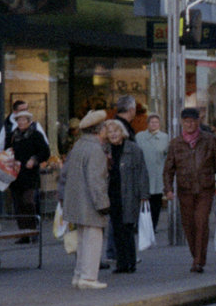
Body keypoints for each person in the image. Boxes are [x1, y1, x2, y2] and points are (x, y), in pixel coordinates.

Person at [163, 106, 216, 274]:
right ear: (182, 123)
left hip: (205, 189)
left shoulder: (209, 140)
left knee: (201, 222)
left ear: (198, 122)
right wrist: (168, 189)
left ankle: (198, 261)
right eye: (186, 122)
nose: (189, 124)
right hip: (185, 190)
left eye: (192, 121)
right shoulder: (175, 143)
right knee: (188, 226)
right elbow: (168, 169)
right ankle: (196, 255)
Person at [57, 109, 109, 290]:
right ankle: (88, 278)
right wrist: (103, 204)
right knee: (93, 240)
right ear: (99, 130)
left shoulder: (78, 145)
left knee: (81, 241)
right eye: (105, 128)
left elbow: (64, 173)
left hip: (76, 201)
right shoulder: (96, 150)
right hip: (90, 203)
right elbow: (96, 180)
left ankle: (79, 275)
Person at [104, 118, 148, 274]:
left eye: (115, 131)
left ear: (122, 132)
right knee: (116, 229)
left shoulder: (133, 149)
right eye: (110, 132)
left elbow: (142, 172)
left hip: (129, 193)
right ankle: (121, 263)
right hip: (113, 194)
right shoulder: (106, 150)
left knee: (127, 228)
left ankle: (130, 262)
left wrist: (144, 194)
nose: (113, 134)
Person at [9, 110, 50, 234]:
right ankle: (23, 233)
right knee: (18, 205)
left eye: (23, 120)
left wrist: (34, 159)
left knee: (28, 202)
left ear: (29, 121)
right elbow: (7, 150)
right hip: (15, 175)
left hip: (30, 175)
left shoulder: (36, 135)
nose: (21, 122)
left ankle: (32, 231)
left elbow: (45, 152)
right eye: (19, 120)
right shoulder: (13, 136)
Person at [136, 113, 170, 232]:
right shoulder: (139, 137)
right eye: (152, 122)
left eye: (156, 122)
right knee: (143, 202)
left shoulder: (165, 138)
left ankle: (153, 226)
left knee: (156, 203)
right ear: (147, 124)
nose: (154, 124)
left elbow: (168, 156)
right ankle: (142, 226)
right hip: (143, 174)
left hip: (158, 175)